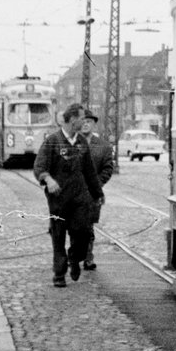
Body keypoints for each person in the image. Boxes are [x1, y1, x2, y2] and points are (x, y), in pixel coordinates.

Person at [33, 103, 102, 287]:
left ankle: (74, 257)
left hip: (79, 199)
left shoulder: (81, 143)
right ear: (72, 120)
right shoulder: (52, 141)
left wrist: (97, 194)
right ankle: (59, 274)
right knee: (58, 235)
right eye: (82, 118)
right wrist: (48, 179)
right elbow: (39, 167)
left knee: (83, 233)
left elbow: (90, 172)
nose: (84, 121)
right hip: (58, 200)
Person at [80, 110, 115, 270]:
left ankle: (88, 257)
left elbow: (107, 169)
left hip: (92, 194)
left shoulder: (103, 146)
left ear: (94, 124)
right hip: (72, 193)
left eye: (89, 121)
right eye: (83, 121)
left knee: (88, 226)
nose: (85, 124)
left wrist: (96, 184)